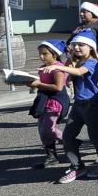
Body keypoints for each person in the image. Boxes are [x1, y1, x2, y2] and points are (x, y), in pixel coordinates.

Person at [55, 31, 98, 183]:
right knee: (67, 137)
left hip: (93, 104)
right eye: (74, 45)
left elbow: (79, 72)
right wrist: (69, 78)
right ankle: (77, 167)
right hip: (78, 105)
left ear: (91, 47)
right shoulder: (75, 62)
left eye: (81, 45)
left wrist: (59, 67)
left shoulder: (93, 62)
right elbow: (73, 75)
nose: (76, 47)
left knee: (95, 137)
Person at [28, 40, 70, 169]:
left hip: (56, 100)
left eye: (45, 54)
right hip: (45, 99)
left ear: (55, 55)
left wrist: (39, 84)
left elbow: (58, 87)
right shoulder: (43, 68)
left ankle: (69, 141)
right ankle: (51, 157)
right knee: (42, 129)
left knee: (48, 128)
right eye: (40, 53)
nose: (41, 56)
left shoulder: (57, 69)